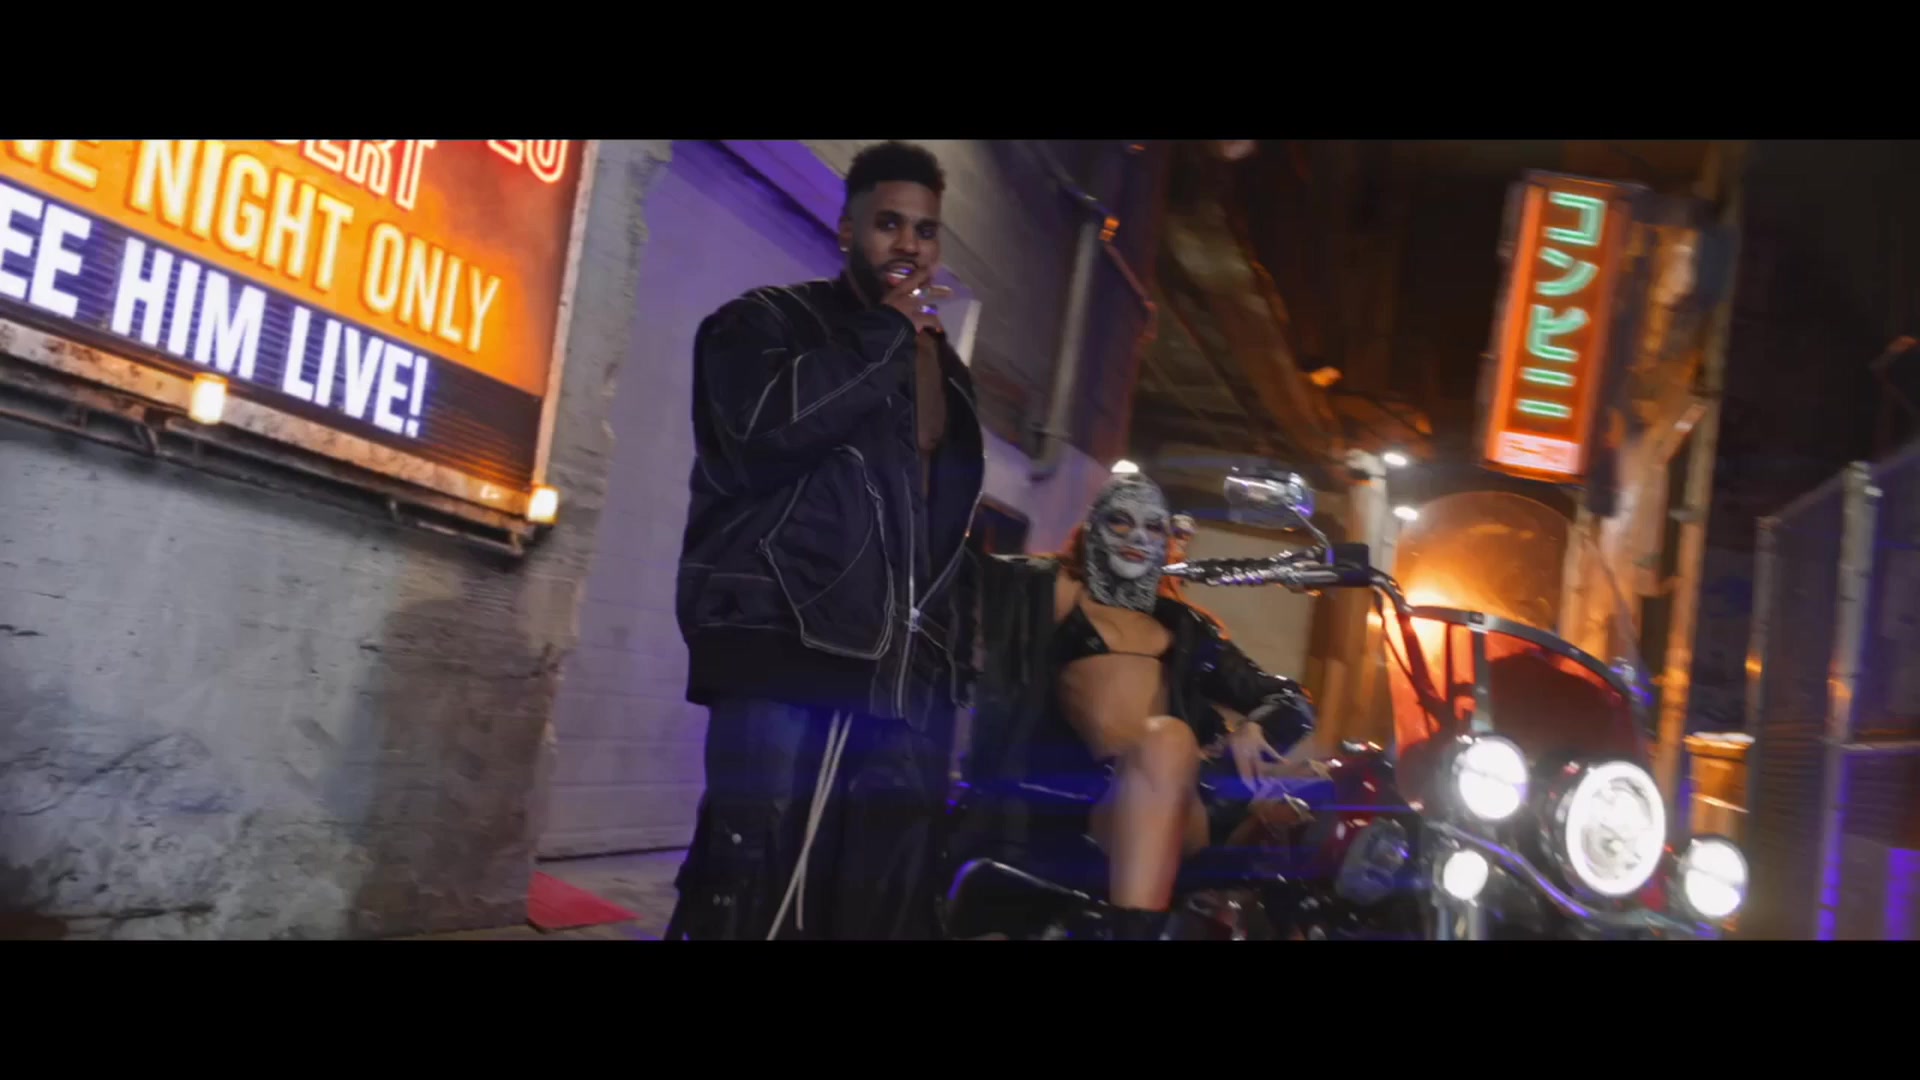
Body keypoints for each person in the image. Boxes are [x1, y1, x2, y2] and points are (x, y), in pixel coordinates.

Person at [666, 142, 984, 940]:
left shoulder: (946, 373)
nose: (909, 244)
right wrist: (884, 333)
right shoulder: (765, 321)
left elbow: (935, 522)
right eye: (888, 223)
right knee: (749, 872)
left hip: (891, 668)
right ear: (846, 230)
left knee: (862, 894)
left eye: (925, 230)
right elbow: (758, 434)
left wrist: (948, 652)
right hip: (781, 638)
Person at [958, 472, 1316, 939]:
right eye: (1121, 521)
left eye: (1152, 526)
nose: (1136, 536)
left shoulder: (1188, 628)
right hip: (1089, 803)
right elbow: (954, 567)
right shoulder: (1052, 590)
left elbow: (1291, 699)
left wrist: (1257, 728)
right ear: (1092, 528)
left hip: (1183, 803)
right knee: (1164, 740)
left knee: (1169, 741)